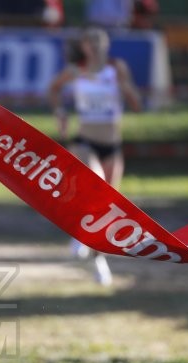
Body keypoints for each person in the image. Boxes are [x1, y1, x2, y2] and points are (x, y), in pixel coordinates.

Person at [48, 27, 142, 286]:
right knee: (95, 186)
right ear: (85, 47)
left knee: (107, 209)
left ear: (107, 44)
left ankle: (100, 264)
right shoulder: (76, 71)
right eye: (91, 42)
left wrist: (126, 89)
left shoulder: (117, 68)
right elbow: (53, 89)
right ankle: (79, 235)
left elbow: (137, 105)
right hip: (85, 141)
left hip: (112, 144)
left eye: (100, 41)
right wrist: (60, 112)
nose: (96, 46)